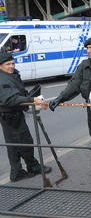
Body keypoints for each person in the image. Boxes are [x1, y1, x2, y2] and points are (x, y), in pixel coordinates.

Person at [49, 36, 91, 180]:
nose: (88, 50)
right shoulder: (84, 65)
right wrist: (60, 98)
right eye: (87, 48)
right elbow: (74, 84)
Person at [0, 51, 51, 182]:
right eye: (7, 64)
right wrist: (32, 99)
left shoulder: (11, 74)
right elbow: (11, 99)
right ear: (0, 65)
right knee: (25, 142)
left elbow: (18, 91)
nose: (11, 66)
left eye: (12, 63)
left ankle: (16, 172)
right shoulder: (2, 79)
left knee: (13, 145)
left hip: (11, 115)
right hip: (11, 115)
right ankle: (32, 166)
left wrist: (30, 96)